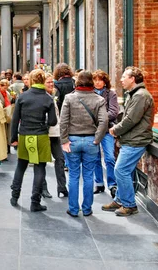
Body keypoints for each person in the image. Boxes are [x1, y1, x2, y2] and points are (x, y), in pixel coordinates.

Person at [102, 67, 154, 217]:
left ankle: (129, 204)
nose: (121, 79)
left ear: (133, 79)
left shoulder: (140, 96)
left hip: (136, 140)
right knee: (123, 170)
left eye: (124, 77)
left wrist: (115, 130)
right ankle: (120, 200)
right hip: (130, 139)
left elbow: (131, 119)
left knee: (121, 170)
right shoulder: (134, 94)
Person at [60, 70, 108, 217]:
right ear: (91, 83)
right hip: (90, 141)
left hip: (73, 140)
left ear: (77, 82)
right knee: (88, 176)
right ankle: (87, 209)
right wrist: (97, 139)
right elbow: (104, 121)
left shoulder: (69, 98)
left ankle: (73, 209)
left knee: (74, 175)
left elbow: (63, 121)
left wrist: (64, 140)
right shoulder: (99, 99)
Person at [9, 69, 57, 211]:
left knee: (21, 166)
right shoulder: (48, 98)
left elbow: (15, 119)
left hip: (24, 135)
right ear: (43, 81)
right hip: (41, 136)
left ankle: (14, 196)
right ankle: (35, 202)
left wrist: (13, 138)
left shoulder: (23, 97)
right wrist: (45, 123)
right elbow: (53, 121)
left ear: (30, 80)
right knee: (39, 168)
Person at [92, 70, 120, 198]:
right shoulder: (89, 93)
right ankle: (99, 183)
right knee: (95, 158)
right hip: (93, 130)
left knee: (109, 157)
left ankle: (112, 184)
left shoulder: (111, 94)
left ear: (105, 81)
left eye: (100, 80)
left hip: (107, 130)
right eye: (95, 80)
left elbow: (113, 112)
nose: (97, 82)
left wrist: (99, 118)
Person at [41, 73, 68, 198]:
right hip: (45, 133)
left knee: (60, 159)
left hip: (55, 133)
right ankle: (43, 188)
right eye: (48, 82)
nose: (52, 84)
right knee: (42, 162)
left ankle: (62, 187)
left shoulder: (53, 95)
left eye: (52, 82)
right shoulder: (42, 96)